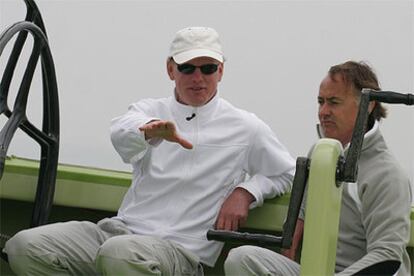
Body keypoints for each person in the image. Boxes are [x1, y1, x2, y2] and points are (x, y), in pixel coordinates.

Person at [3, 26, 296, 275]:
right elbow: (122, 131)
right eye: (187, 68)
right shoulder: (148, 110)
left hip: (180, 252)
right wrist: (150, 131)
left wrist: (245, 192)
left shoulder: (246, 126)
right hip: (119, 232)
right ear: (171, 69)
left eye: (208, 68)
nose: (198, 77)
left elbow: (286, 173)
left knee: (120, 255)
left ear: (221, 71)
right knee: (24, 247)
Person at [224, 61, 412, 276]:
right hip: (315, 271)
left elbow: (387, 255)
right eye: (320, 102)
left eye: (333, 102)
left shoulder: (387, 174)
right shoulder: (320, 155)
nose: (323, 112)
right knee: (241, 259)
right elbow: (303, 212)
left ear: (368, 105)